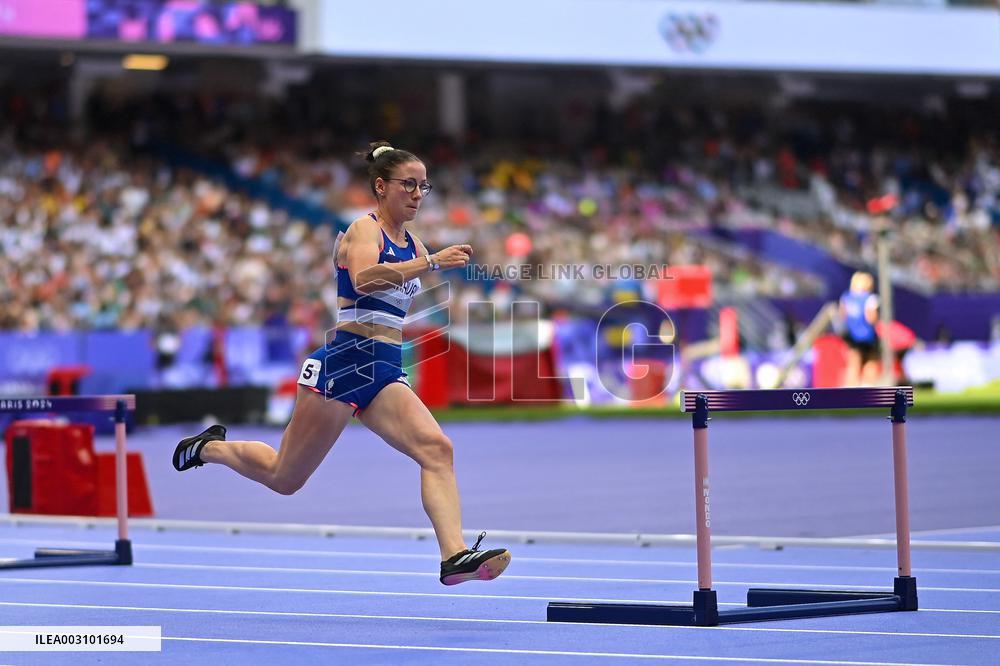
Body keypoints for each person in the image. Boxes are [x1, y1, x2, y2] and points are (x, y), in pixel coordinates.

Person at [172, 141, 511, 586]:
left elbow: (399, 301)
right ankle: (209, 448)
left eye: (423, 186)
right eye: (408, 184)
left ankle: (454, 556)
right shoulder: (363, 229)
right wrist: (430, 262)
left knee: (437, 450)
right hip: (346, 363)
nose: (417, 194)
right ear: (380, 186)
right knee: (285, 477)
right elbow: (364, 279)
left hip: (384, 368)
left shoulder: (413, 243)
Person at [839, 271, 880, 386]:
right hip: (868, 335)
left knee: (853, 363)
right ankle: (868, 387)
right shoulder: (870, 298)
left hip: (851, 334)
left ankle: (851, 388)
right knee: (870, 362)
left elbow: (842, 315)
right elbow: (871, 317)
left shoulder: (846, 297)